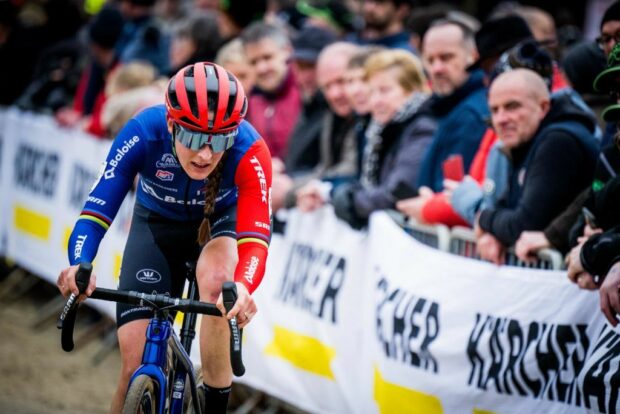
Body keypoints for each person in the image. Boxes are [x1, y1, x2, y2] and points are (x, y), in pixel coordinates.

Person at [56, 62, 272, 414]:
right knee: (132, 366)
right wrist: (79, 264)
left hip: (220, 225)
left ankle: (215, 401)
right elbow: (95, 212)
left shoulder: (250, 150)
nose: (205, 154)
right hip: (156, 225)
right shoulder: (143, 131)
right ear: (172, 125)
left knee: (220, 285)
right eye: (192, 138)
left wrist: (244, 287)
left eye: (219, 140)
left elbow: (255, 238)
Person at [297, 49, 436, 229]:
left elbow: (396, 191)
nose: (376, 101)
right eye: (373, 92)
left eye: (385, 91)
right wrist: (330, 192)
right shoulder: (381, 130)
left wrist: (347, 200)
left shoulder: (421, 129)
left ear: (412, 90)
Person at [473, 69, 598, 264]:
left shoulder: (558, 142)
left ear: (543, 107)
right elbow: (507, 207)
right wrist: (494, 233)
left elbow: (523, 225)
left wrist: (484, 219)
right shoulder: (526, 140)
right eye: (494, 110)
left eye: (512, 106)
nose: (501, 119)